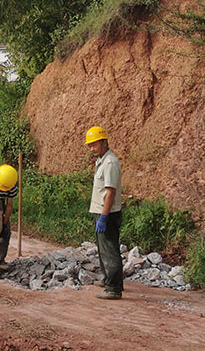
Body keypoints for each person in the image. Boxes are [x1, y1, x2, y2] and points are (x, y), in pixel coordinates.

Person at [85, 126, 123, 300]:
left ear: (104, 142)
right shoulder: (102, 160)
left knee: (110, 250)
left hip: (107, 213)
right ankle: (109, 279)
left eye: (94, 145)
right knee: (103, 249)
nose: (92, 149)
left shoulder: (110, 163)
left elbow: (110, 193)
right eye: (90, 146)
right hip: (101, 212)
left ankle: (114, 288)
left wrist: (104, 216)